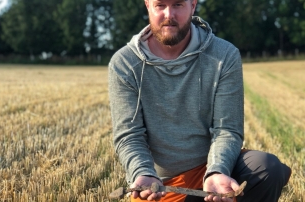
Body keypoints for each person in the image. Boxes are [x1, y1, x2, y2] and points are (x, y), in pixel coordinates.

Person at [108, 0, 291, 201]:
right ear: (148, 5)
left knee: (267, 168)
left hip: (213, 173)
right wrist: (143, 172)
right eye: (160, 5)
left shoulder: (224, 55)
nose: (169, 14)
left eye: (178, 4)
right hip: (161, 185)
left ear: (193, 5)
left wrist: (217, 171)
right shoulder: (124, 63)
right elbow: (129, 135)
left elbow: (227, 129)